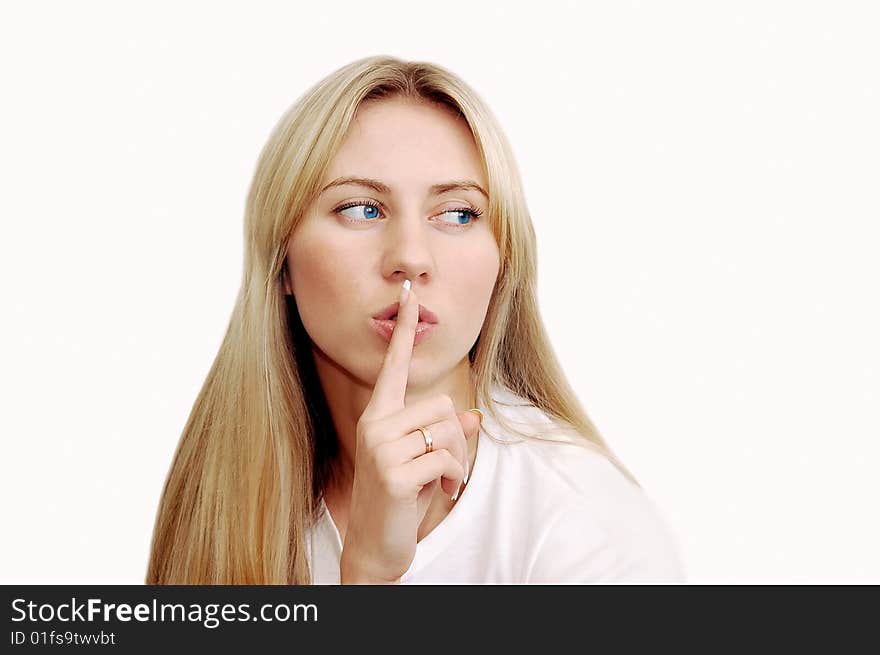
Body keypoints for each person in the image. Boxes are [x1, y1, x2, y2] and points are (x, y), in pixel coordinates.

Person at [145, 55, 686, 585]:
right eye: (362, 209)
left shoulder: (588, 529)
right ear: (282, 259)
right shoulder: (222, 506)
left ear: (504, 261)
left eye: (457, 214)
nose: (411, 256)